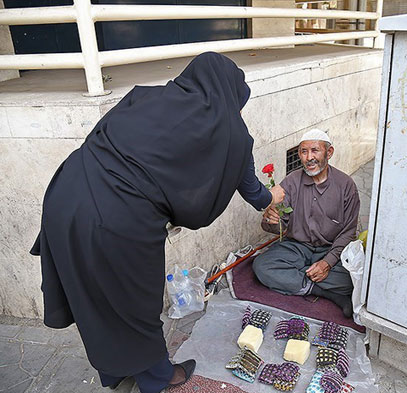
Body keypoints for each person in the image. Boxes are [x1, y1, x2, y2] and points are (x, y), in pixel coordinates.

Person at [29, 52, 284, 393]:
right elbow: (254, 192)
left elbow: (103, 138)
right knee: (135, 302)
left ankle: (113, 371)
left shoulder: (145, 96)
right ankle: (159, 377)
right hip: (117, 218)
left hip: (65, 194)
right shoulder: (231, 133)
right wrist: (274, 198)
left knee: (90, 293)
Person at [253, 129, 359, 317]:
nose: (309, 157)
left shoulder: (346, 185)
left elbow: (348, 233)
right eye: (303, 152)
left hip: (331, 250)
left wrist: (327, 263)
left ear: (329, 152)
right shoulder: (292, 181)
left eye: (315, 151)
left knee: (356, 278)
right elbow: (278, 226)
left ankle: (295, 278)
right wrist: (270, 219)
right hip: (296, 247)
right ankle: (323, 291)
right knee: (262, 266)